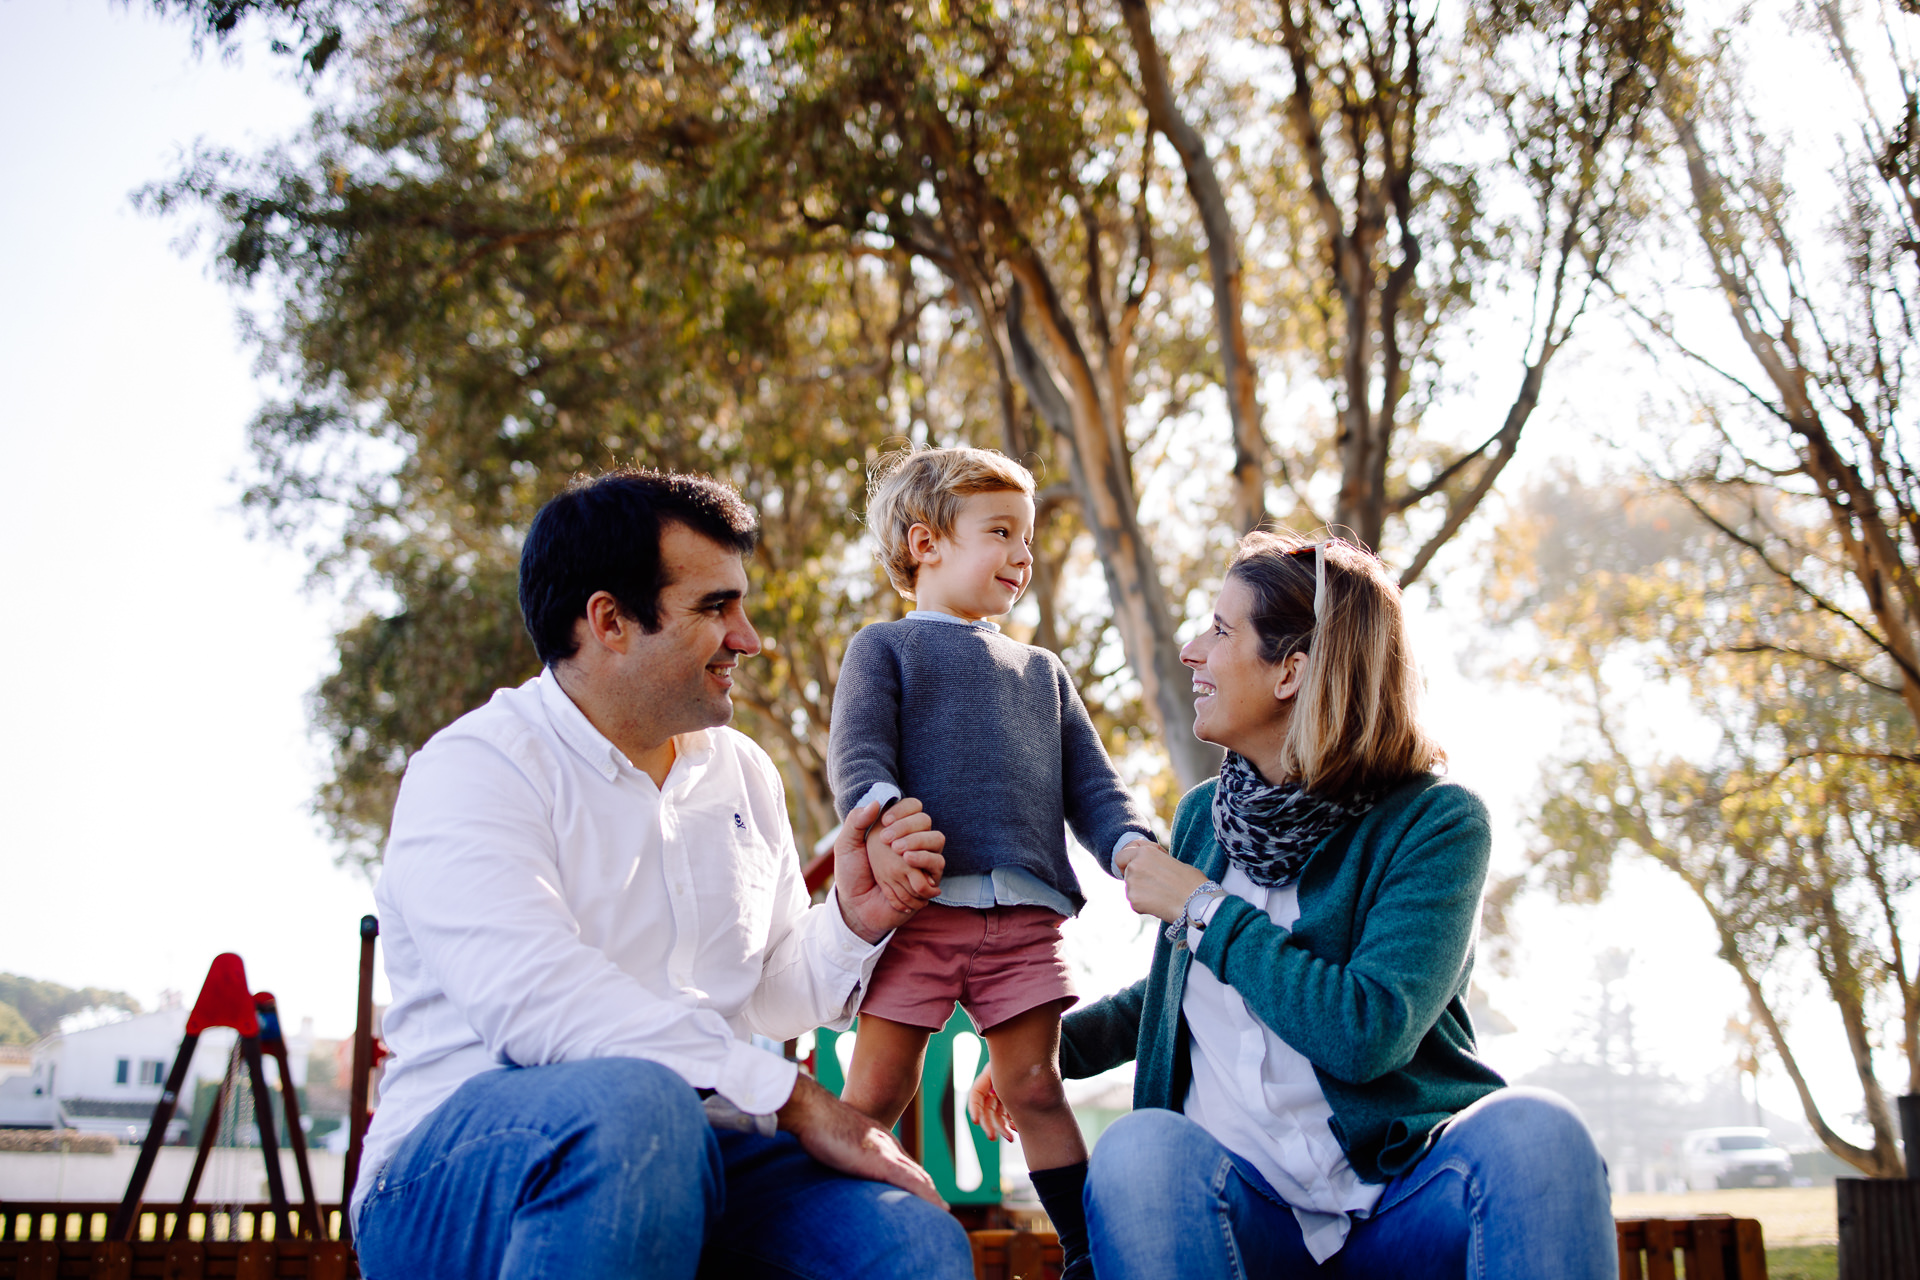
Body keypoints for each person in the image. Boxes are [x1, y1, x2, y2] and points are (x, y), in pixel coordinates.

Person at [351, 469, 976, 1280]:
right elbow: (540, 1006)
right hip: (454, 1174)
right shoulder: (475, 769)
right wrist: (794, 1101)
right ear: (609, 620)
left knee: (913, 1241)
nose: (748, 638)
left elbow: (770, 992)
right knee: (637, 1108)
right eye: (715, 608)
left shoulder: (745, 772)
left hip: (710, 1153)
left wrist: (853, 920)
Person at [971, 531, 1615, 1278]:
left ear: (1291, 672)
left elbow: (1367, 1030)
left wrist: (1205, 911)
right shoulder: (1202, 819)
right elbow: (1183, 993)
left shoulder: (1435, 823)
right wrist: (1042, 1050)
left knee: (1540, 1134)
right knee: (1139, 1149)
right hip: (1244, 1214)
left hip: (1403, 1206)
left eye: (1219, 630)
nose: (1191, 650)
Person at [827, 446, 1161, 1280]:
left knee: (1036, 1089)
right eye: (1001, 533)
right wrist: (882, 816)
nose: (1022, 556)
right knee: (875, 1096)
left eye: (1029, 539)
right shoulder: (884, 650)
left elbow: (1095, 786)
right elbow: (859, 757)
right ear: (925, 542)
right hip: (920, 916)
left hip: (1024, 920)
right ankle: (824, 1236)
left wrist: (1129, 847)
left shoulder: (1042, 672)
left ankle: (1090, 1261)